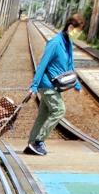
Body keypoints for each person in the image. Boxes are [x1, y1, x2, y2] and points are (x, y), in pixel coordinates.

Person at [25, 14, 83, 156]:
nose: (78, 35)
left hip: (54, 85)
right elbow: (42, 64)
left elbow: (70, 64)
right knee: (59, 110)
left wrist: (76, 84)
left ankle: (31, 144)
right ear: (70, 27)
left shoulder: (68, 43)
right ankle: (39, 141)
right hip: (47, 84)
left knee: (43, 115)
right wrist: (33, 86)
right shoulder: (55, 43)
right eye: (78, 31)